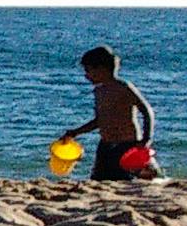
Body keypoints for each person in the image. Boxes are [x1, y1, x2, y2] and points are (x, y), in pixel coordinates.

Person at [66, 46, 159, 182]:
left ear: (102, 69)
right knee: (99, 179)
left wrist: (146, 138)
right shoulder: (99, 91)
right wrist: (76, 132)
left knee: (127, 177)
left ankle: (152, 171)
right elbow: (100, 120)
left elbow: (146, 111)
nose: (86, 75)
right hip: (105, 144)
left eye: (88, 71)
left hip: (127, 144)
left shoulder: (123, 87)